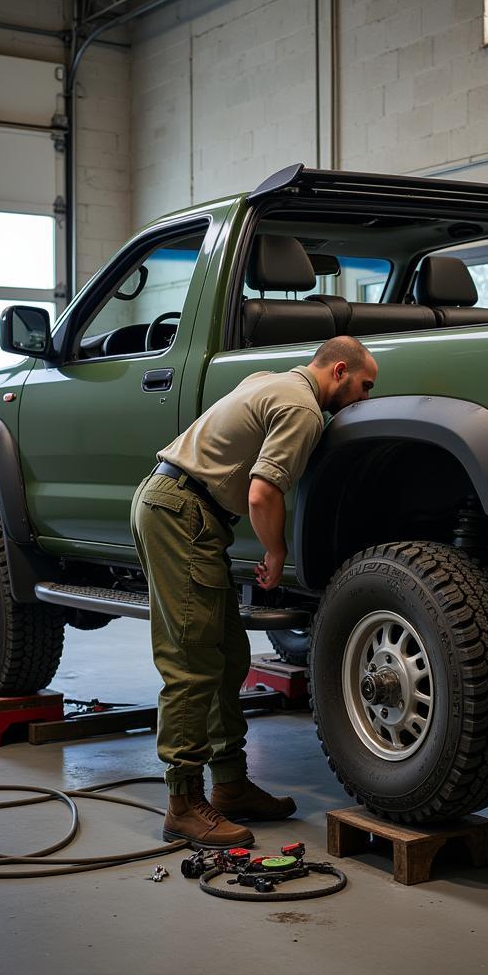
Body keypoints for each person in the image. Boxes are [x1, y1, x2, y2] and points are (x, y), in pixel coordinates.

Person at [131, 335, 379, 848]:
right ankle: (182, 803)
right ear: (338, 371)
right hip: (181, 513)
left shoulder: (270, 382)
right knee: (192, 661)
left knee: (227, 655)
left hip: (184, 510)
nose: (364, 398)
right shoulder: (303, 409)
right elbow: (262, 491)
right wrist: (276, 551)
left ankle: (229, 787)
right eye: (363, 386)